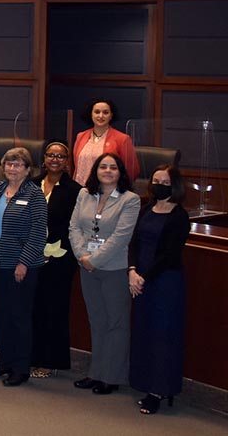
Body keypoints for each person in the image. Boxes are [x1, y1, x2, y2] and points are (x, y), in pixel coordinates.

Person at [69, 152, 140, 395]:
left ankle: (112, 376)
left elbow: (122, 236)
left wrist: (94, 260)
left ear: (120, 172)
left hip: (114, 268)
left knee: (116, 323)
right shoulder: (84, 194)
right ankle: (95, 373)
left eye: (113, 167)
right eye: (103, 167)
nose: (107, 171)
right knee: (97, 321)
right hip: (87, 266)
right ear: (95, 171)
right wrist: (82, 257)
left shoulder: (130, 200)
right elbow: (74, 227)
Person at [0, 147, 47, 387]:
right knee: (1, 315)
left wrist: (24, 262)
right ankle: (4, 362)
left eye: (18, 165)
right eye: (8, 164)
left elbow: (39, 233)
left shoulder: (35, 195)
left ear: (28, 169)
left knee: (19, 316)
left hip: (21, 263)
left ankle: (20, 368)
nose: (12, 168)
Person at [129, 164, 190, 415]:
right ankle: (144, 383)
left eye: (164, 182)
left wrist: (143, 277)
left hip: (165, 281)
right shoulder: (146, 209)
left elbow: (169, 253)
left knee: (163, 335)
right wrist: (132, 270)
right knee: (144, 330)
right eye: (155, 181)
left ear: (174, 185)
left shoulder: (179, 215)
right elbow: (134, 242)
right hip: (140, 277)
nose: (159, 185)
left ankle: (160, 391)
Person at [30, 141, 82, 378]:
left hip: (60, 259)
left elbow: (75, 227)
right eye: (51, 155)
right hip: (31, 256)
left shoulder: (75, 190)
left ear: (67, 161)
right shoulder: (31, 185)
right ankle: (31, 356)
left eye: (60, 156)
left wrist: (53, 250)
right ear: (44, 159)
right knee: (33, 308)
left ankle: (49, 361)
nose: (55, 159)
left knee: (54, 310)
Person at [73, 98, 139, 185]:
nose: (101, 116)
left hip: (107, 191)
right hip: (80, 191)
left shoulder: (122, 139)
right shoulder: (81, 136)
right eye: (97, 112)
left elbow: (132, 170)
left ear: (111, 115)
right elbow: (75, 167)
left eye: (105, 112)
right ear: (91, 114)